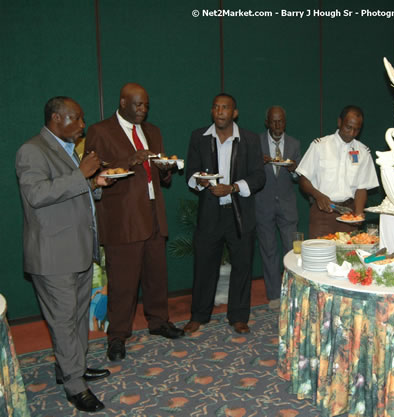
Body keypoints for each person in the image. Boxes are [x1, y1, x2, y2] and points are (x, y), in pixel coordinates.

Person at [16, 97, 111, 412]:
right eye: (77, 119)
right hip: (53, 255)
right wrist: (81, 174)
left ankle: (72, 369)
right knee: (63, 320)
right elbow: (37, 194)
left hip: (80, 250)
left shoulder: (68, 149)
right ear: (56, 118)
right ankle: (74, 386)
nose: (83, 126)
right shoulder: (32, 151)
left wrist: (95, 182)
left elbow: (74, 194)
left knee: (78, 316)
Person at [85, 83, 184, 363]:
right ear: (122, 103)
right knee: (123, 282)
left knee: (156, 275)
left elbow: (160, 176)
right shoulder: (100, 131)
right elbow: (94, 174)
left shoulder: (153, 132)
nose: (143, 110)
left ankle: (158, 321)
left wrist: (165, 170)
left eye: (146, 106)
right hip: (123, 219)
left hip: (154, 213)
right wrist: (130, 160)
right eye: (138, 105)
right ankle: (117, 335)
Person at [184, 93, 265, 334]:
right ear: (212, 111)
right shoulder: (199, 137)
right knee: (204, 266)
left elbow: (259, 177)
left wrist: (233, 187)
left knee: (242, 265)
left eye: (225, 108)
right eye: (216, 107)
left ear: (234, 113)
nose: (220, 111)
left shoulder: (249, 139)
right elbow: (190, 174)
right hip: (210, 213)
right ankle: (199, 315)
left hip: (240, 213)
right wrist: (203, 182)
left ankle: (239, 316)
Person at [297, 105, 379, 238]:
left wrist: (358, 213)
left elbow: (362, 187)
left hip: (348, 214)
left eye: (356, 130)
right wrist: (318, 195)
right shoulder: (320, 146)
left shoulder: (363, 151)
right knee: (321, 256)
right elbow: (303, 178)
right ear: (339, 122)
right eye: (348, 127)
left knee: (348, 256)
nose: (351, 133)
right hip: (322, 213)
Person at [255, 106, 301, 310]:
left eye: (280, 121)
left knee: (291, 251)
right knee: (269, 251)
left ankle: (294, 293)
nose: (277, 125)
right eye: (273, 121)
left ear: (285, 122)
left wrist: (294, 169)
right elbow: (248, 171)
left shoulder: (294, 144)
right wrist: (257, 162)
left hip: (287, 205)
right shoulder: (256, 142)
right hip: (263, 204)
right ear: (267, 122)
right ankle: (274, 295)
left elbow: (299, 176)